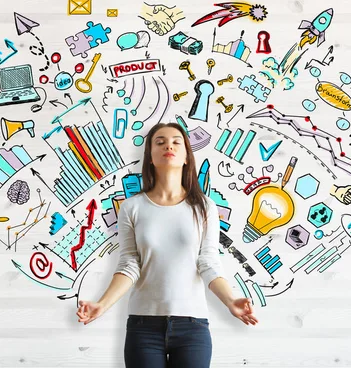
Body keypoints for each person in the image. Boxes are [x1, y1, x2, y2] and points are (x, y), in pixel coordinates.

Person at [76, 123, 258, 367]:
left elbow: (208, 262)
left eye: (176, 142)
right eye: (159, 142)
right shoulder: (132, 207)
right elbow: (130, 263)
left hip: (192, 327)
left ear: (186, 157)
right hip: (144, 327)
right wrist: (102, 304)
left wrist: (230, 300)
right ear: (150, 157)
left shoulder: (204, 207)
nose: (168, 145)